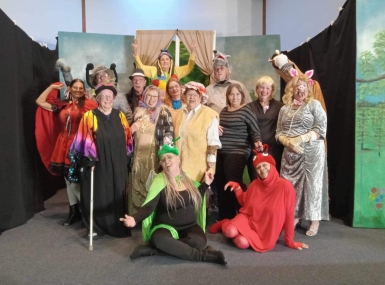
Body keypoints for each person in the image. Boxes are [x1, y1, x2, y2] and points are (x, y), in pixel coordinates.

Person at [119, 142, 226, 265]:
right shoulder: (159, 182)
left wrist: (206, 184)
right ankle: (203, 256)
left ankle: (155, 249)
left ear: (178, 159)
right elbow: (149, 207)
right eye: (163, 159)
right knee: (158, 239)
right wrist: (135, 219)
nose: (166, 161)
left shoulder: (187, 179)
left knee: (199, 242)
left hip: (189, 226)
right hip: (165, 227)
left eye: (169, 157)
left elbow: (195, 196)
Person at [209, 147, 309, 252]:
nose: (261, 169)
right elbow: (244, 203)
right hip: (248, 220)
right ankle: (225, 223)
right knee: (230, 231)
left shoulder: (286, 187)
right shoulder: (255, 184)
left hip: (265, 232)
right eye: (258, 167)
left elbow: (289, 215)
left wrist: (290, 241)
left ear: (272, 166)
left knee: (241, 243)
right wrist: (238, 189)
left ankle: (236, 229)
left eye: (264, 165)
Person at [69, 82, 133, 237]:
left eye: (110, 96)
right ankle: (97, 226)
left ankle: (118, 223)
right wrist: (89, 159)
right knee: (100, 192)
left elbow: (128, 138)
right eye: (103, 96)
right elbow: (84, 139)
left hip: (118, 161)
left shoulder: (120, 115)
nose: (107, 99)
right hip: (98, 163)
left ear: (114, 98)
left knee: (118, 191)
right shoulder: (89, 116)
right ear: (97, 98)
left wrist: (128, 155)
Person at [35, 79, 98, 226]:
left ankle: (87, 212)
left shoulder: (89, 104)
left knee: (74, 180)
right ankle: (74, 211)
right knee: (67, 180)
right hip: (62, 144)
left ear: (84, 90)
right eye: (74, 87)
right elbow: (40, 101)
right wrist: (51, 87)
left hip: (78, 146)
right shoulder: (62, 105)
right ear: (69, 88)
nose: (77, 90)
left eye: (80, 88)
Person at [276, 72, 329, 236]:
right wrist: (287, 142)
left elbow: (321, 129)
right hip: (290, 153)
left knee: (312, 185)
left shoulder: (314, 105)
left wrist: (300, 139)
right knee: (289, 186)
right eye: (298, 87)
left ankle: (314, 220)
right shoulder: (284, 109)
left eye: (304, 87)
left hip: (311, 152)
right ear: (292, 89)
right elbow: (278, 132)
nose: (301, 90)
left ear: (308, 89)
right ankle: (295, 216)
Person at [216, 83, 263, 220]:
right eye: (232, 94)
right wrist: (216, 127)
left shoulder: (246, 110)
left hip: (238, 151)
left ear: (242, 96)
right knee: (220, 182)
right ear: (228, 96)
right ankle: (226, 216)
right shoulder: (224, 111)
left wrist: (258, 141)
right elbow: (217, 126)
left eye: (237, 94)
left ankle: (244, 212)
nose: (234, 97)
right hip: (221, 150)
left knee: (233, 180)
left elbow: (255, 132)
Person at [128, 85, 174, 215]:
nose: (151, 99)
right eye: (149, 96)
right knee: (137, 182)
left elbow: (170, 131)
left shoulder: (164, 111)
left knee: (152, 183)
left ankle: (150, 215)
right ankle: (136, 215)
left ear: (159, 98)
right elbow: (129, 134)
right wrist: (131, 129)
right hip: (137, 156)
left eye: (155, 96)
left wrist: (166, 146)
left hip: (154, 156)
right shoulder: (138, 111)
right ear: (144, 96)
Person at [172, 81, 221, 182]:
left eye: (195, 95)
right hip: (178, 163)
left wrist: (211, 162)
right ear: (184, 96)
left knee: (196, 193)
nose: (192, 97)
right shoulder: (179, 113)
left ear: (201, 97)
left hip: (198, 164)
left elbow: (213, 140)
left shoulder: (209, 115)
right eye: (189, 94)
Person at [247, 76, 284, 180]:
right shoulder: (249, 107)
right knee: (256, 181)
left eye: (267, 88)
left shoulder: (280, 107)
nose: (264, 91)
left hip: (274, 151)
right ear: (257, 89)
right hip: (254, 151)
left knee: (273, 181)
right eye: (261, 87)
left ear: (272, 90)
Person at [131, 40, 196, 90]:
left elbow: (189, 67)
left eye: (167, 59)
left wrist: (192, 52)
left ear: (171, 61)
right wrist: (135, 53)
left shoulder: (176, 71)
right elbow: (141, 67)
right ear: (159, 62)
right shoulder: (154, 70)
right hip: (157, 100)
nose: (165, 61)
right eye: (162, 60)